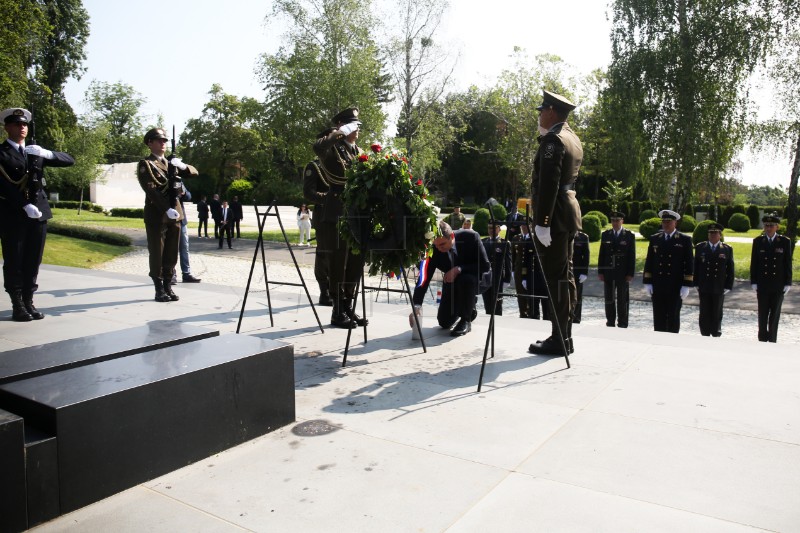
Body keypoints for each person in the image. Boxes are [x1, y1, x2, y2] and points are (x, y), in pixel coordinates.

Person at [0, 107, 74, 321]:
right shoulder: (2, 153)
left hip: (39, 213)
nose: (22, 127)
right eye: (16, 124)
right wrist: (23, 204)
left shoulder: (34, 151)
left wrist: (46, 153)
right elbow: (3, 185)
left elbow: (69, 160)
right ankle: (17, 304)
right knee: (15, 259)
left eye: (24, 124)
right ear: (7, 127)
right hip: (13, 214)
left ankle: (29, 301)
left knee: (33, 259)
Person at [528, 90, 583, 356]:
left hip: (556, 216)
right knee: (565, 277)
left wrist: (543, 222)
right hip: (567, 213)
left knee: (556, 279)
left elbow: (549, 184)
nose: (539, 115)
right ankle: (565, 336)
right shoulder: (572, 137)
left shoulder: (553, 140)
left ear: (551, 111)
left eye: (542, 110)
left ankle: (559, 339)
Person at [312, 107, 367, 328]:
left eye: (357, 127)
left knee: (354, 262)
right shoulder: (332, 147)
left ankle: (347, 307)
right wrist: (338, 133)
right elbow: (317, 147)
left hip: (355, 214)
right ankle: (336, 311)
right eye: (352, 127)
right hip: (335, 213)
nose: (356, 131)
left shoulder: (357, 151)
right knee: (338, 262)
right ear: (342, 127)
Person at [137, 127, 198, 302]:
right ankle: (159, 289)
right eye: (159, 141)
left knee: (171, 252)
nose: (163, 144)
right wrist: (166, 209)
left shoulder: (171, 163)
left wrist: (183, 166)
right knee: (157, 251)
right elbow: (152, 190)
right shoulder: (146, 164)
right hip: (158, 213)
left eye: (164, 141)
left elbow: (194, 173)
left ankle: (168, 286)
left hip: (176, 213)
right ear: (150, 143)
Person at [412, 220, 491, 336]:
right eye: (436, 245)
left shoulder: (471, 237)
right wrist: (416, 306)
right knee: (444, 322)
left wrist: (459, 269)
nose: (439, 248)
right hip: (452, 281)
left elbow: (485, 266)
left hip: (476, 277)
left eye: (442, 244)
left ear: (452, 236)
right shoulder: (434, 249)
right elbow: (424, 277)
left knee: (466, 279)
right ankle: (469, 306)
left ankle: (466, 320)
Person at [643, 209, 693, 333]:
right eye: (664, 222)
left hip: (675, 284)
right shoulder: (655, 238)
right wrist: (647, 281)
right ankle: (658, 340)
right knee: (658, 315)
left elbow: (690, 263)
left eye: (669, 222)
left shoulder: (684, 240)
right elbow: (649, 261)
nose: (665, 225)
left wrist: (686, 285)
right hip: (658, 283)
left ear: (675, 223)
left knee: (673, 316)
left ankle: (672, 342)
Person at [750, 213, 792, 342]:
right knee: (763, 313)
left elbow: (787, 263)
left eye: (771, 226)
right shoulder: (758, 241)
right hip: (762, 284)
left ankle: (772, 339)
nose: (768, 228)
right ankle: (762, 338)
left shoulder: (784, 242)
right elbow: (754, 262)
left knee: (774, 314)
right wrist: (754, 281)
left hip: (777, 284)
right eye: (766, 225)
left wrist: (788, 282)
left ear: (777, 227)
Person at [693, 223, 733, 337]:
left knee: (717, 310)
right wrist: (695, 282)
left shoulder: (726, 249)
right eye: (711, 233)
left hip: (718, 285)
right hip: (704, 284)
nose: (713, 235)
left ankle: (716, 331)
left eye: (715, 233)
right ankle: (704, 331)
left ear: (720, 235)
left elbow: (730, 268)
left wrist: (728, 285)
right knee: (704, 310)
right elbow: (696, 266)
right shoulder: (701, 247)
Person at [597, 211, 635, 328]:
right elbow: (602, 254)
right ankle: (610, 321)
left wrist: (630, 273)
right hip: (609, 272)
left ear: (622, 221)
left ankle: (623, 323)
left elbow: (631, 256)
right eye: (613, 220)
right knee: (609, 299)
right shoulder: (606, 234)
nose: (614, 223)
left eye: (617, 220)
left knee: (622, 299)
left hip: (623, 273)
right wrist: (601, 271)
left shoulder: (628, 235)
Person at [303, 158, 332, 306]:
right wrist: (329, 198)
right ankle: (324, 292)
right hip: (324, 218)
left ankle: (335, 291)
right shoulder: (315, 166)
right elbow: (308, 193)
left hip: (340, 217)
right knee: (324, 255)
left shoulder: (339, 163)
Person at [481, 221, 511, 315]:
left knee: (497, 305)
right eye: (489, 228)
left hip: (498, 278)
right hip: (486, 278)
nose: (491, 230)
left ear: (499, 229)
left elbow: (508, 262)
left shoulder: (504, 243)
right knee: (487, 304)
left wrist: (507, 279)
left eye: (493, 228)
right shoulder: (483, 242)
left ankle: (496, 325)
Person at [176, 184, 201, 283]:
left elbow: (189, 196)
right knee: (171, 248)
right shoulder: (164, 180)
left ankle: (186, 273)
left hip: (182, 220)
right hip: (170, 219)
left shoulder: (179, 181)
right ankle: (171, 274)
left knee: (184, 247)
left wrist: (184, 193)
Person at [512, 223, 534, 317]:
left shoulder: (534, 238)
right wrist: (513, 270)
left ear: (531, 226)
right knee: (520, 293)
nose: (524, 227)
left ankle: (531, 313)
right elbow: (513, 255)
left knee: (530, 293)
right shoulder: (517, 238)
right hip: (518, 270)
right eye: (522, 225)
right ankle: (522, 313)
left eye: (526, 225)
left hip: (531, 270)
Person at [572, 230, 590, 323]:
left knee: (577, 295)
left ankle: (576, 317)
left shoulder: (583, 237)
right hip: (565, 270)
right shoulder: (565, 234)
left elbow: (586, 255)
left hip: (577, 272)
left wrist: (584, 272)